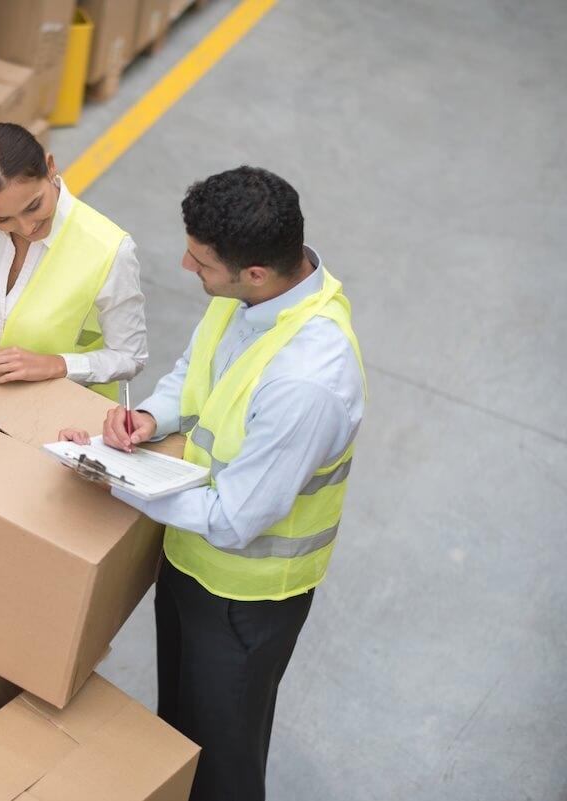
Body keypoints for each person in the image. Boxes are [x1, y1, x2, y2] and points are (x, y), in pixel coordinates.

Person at [59, 166, 366, 801]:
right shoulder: (249, 301)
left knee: (222, 759)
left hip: (244, 599)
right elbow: (194, 375)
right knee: (180, 732)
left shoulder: (306, 383)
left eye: (200, 263)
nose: (185, 266)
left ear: (254, 271)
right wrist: (148, 419)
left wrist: (111, 476)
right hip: (189, 560)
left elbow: (235, 518)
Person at [0, 122, 147, 398]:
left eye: (34, 206)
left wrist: (57, 365)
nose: (27, 228)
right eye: (2, 219)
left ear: (50, 167)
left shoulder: (110, 249)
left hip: (60, 410)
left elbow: (130, 356)